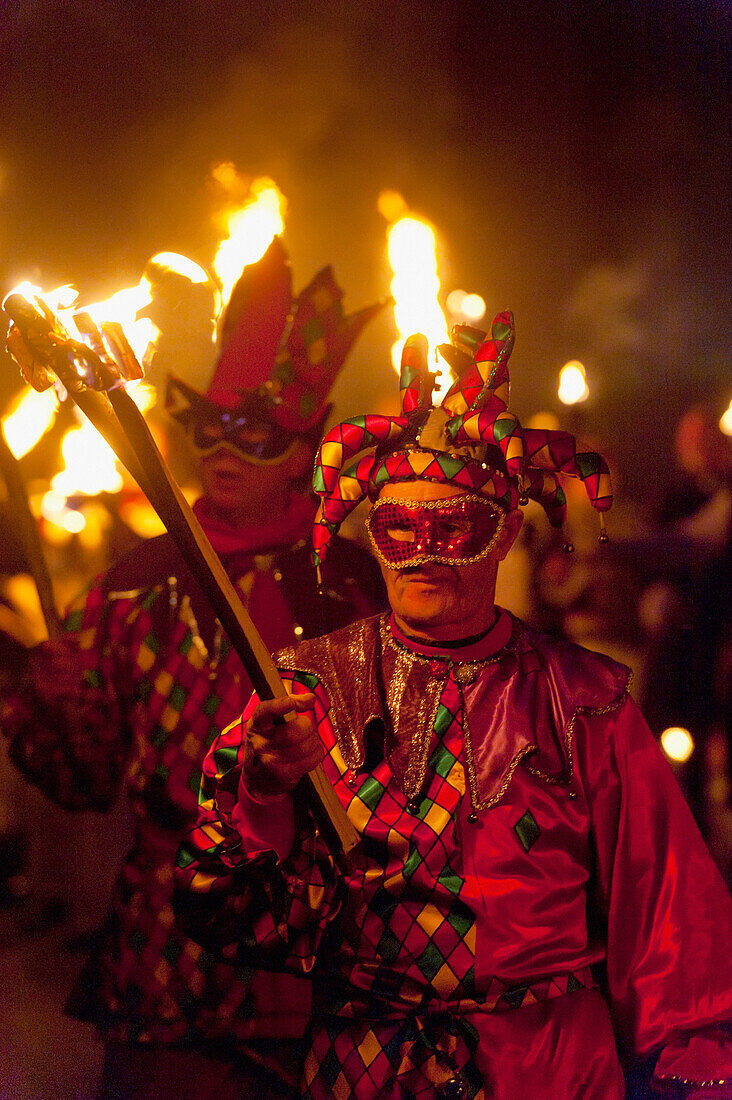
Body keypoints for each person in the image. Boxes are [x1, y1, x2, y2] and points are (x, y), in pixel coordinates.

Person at [175, 315, 732, 1099]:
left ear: (504, 535)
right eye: (399, 527)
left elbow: (670, 916)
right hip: (365, 1068)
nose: (425, 551)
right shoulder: (304, 688)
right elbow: (223, 920)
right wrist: (264, 797)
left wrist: (686, 1070)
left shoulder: (586, 704)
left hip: (546, 1070)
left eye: (454, 526)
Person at [0, 237, 387, 1099]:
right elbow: (84, 778)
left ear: (301, 449)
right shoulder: (137, 582)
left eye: (254, 433)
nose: (221, 447)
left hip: (321, 949)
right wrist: (49, 702)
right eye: (210, 426)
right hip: (169, 940)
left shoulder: (355, 587)